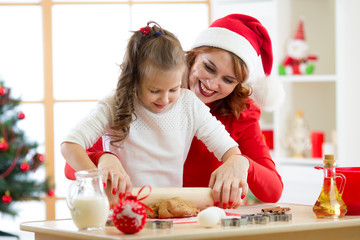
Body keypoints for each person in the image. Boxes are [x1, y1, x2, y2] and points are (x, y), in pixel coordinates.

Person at [65, 14, 285, 207]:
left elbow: (273, 190)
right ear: (192, 56)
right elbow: (71, 163)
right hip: (130, 209)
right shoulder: (134, 100)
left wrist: (240, 162)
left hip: (192, 219)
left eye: (228, 80)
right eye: (209, 67)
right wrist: (105, 158)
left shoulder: (233, 114)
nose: (212, 83)